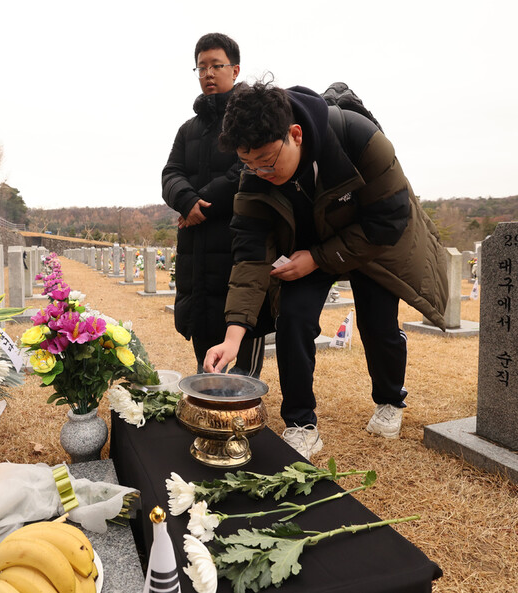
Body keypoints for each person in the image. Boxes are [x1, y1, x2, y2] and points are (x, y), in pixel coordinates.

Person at [204, 81, 448, 458]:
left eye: (268, 162)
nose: (261, 173)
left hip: (369, 240)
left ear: (295, 135)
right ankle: (301, 422)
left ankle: (389, 400)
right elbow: (249, 255)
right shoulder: (254, 173)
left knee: (379, 322)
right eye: (250, 165)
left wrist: (318, 258)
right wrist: (233, 336)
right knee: (294, 320)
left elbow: (389, 220)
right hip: (306, 248)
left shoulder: (362, 140)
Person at [161, 33, 265, 377]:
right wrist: (185, 201)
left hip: (238, 240)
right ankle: (208, 403)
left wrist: (198, 206)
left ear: (234, 70)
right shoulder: (187, 130)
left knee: (242, 331)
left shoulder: (252, 117)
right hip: (197, 250)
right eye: (201, 66)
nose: (208, 73)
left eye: (216, 65)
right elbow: (171, 173)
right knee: (203, 330)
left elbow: (247, 170)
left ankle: (242, 410)